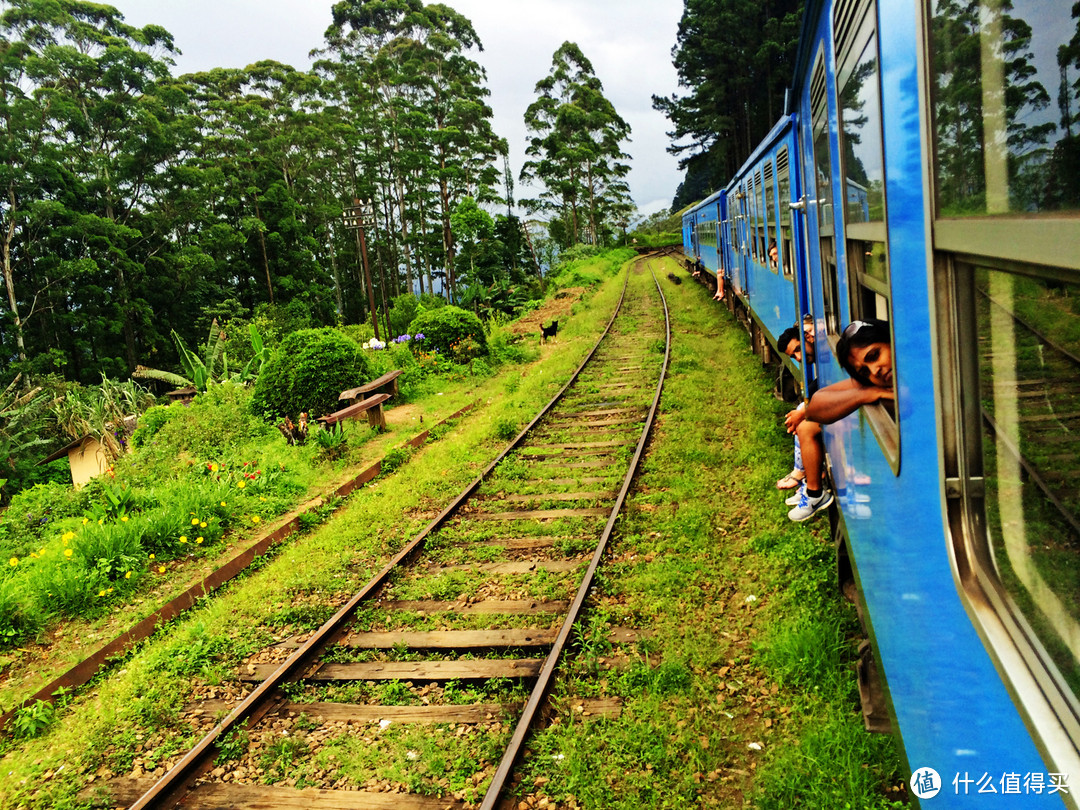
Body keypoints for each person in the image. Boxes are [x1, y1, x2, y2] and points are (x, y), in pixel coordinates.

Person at [775, 322, 832, 521]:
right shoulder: (822, 352)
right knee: (800, 415)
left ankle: (813, 490)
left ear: (808, 338)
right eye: (793, 356)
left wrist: (805, 411)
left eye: (798, 349)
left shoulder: (829, 350)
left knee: (804, 425)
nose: (799, 358)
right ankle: (806, 478)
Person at [805, 319, 894, 425]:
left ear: (891, 340)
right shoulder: (874, 383)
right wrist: (869, 393)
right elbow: (814, 409)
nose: (874, 371)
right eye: (864, 372)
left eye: (874, 356)